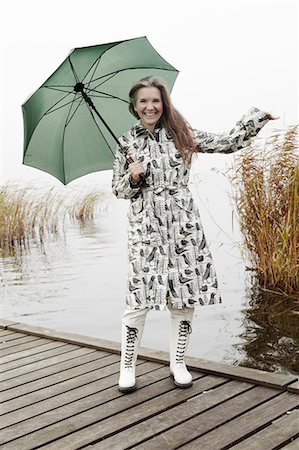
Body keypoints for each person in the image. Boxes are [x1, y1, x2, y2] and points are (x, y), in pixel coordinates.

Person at [112, 76, 278, 393]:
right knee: (138, 299)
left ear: (164, 103)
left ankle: (178, 363)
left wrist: (257, 119)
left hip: (183, 226)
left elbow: (228, 141)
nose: (150, 106)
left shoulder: (182, 135)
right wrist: (133, 178)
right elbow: (118, 190)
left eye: (155, 100)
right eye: (143, 101)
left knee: (185, 297)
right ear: (134, 106)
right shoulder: (126, 143)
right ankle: (128, 367)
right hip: (146, 231)